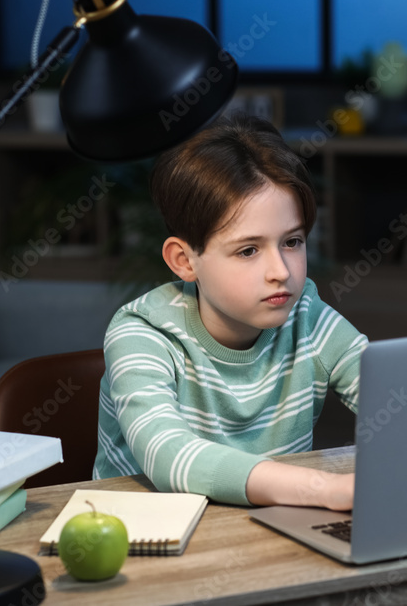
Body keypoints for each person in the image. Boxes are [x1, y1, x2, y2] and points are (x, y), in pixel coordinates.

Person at [93, 115, 367, 510]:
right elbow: (169, 455)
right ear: (184, 260)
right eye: (248, 250)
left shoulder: (306, 314)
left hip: (268, 528)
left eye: (292, 241)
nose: (282, 272)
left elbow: (400, 398)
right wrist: (324, 489)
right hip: (146, 540)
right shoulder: (142, 332)